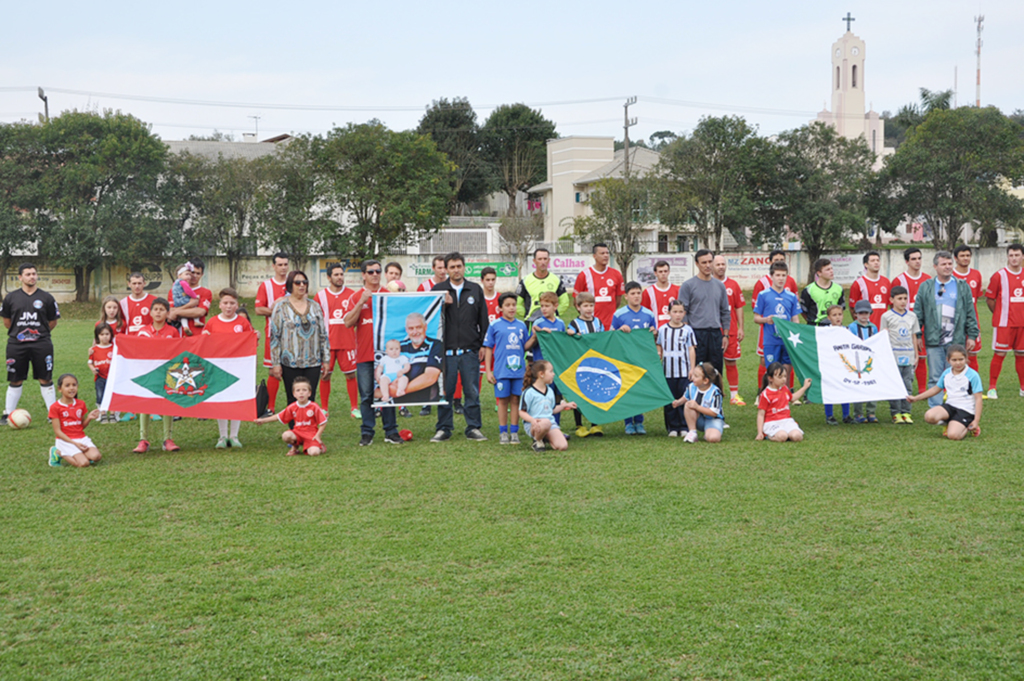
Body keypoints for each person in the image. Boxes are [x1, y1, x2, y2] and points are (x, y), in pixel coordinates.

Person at [431, 252, 490, 442]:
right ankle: (444, 428)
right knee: (445, 392)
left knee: (471, 391)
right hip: (445, 351)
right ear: (446, 269)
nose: (456, 270)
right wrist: (443, 305)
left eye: (459, 266)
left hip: (469, 351)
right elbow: (430, 319)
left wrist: (482, 344)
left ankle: (473, 427)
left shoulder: (475, 289)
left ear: (464, 267)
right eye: (452, 267)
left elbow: (483, 320)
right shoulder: (438, 289)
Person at [344, 260, 403, 447]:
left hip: (388, 356)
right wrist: (361, 302)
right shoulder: (356, 297)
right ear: (363, 275)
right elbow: (347, 322)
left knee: (389, 393)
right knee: (367, 395)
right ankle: (367, 432)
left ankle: (391, 431)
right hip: (365, 355)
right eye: (371, 271)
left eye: (378, 271)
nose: (375, 274)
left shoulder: (389, 294)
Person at [915, 251, 978, 408]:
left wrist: (972, 335)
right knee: (935, 376)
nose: (948, 267)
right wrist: (916, 334)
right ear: (935, 266)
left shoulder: (962, 286)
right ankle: (936, 410)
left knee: (956, 376)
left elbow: (970, 312)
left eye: (950, 263)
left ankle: (955, 407)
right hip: (933, 339)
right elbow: (918, 313)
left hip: (956, 340)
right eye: (943, 264)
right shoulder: (926, 287)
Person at [2, 263, 60, 427]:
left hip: (41, 344)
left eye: (34, 274)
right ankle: (8, 414)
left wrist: (40, 334)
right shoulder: (11, 298)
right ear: (20, 277)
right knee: (15, 379)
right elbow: (7, 322)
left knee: (45, 377)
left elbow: (52, 321)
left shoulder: (46, 298)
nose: (31, 277)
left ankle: (52, 414)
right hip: (16, 344)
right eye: (27, 274)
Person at [268, 270, 331, 406]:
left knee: (310, 398)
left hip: (313, 361)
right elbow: (274, 337)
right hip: (290, 361)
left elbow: (323, 334)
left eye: (305, 282)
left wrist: (326, 360)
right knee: (293, 399)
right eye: (298, 282)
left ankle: (309, 427)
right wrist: (276, 363)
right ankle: (295, 427)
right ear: (290, 285)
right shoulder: (281, 307)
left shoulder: (315, 306)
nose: (302, 285)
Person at [203, 288, 254, 449]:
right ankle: (223, 436)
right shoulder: (212, 322)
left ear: (237, 305)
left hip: (238, 367)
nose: (229, 306)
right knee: (222, 399)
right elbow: (204, 345)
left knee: (236, 397)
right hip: (218, 367)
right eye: (225, 303)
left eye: (232, 303)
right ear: (220, 305)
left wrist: (255, 337)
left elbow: (250, 343)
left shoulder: (242, 322)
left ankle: (234, 435)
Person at [134, 298, 180, 453]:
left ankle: (167, 439)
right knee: (144, 404)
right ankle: (143, 439)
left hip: (167, 374)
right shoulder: (143, 332)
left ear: (168, 313)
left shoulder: (173, 332)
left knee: (168, 403)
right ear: (151, 312)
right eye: (156, 309)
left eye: (162, 309)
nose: (158, 312)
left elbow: (179, 352)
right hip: (148, 374)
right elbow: (137, 352)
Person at [908, 344, 983, 440]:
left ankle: (969, 426)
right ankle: (951, 422)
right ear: (948, 360)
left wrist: (976, 420)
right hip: (950, 406)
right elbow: (936, 389)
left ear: (966, 359)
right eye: (954, 360)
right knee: (929, 416)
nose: (958, 363)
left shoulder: (973, 375)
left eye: (961, 359)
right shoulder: (947, 373)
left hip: (966, 410)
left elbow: (978, 399)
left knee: (953, 436)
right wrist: (916, 398)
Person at [612, 281, 657, 435]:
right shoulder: (619, 314)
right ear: (626, 297)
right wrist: (619, 330)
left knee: (639, 390)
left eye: (639, 293)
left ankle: (639, 422)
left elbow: (654, 333)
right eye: (633, 293)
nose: (636, 296)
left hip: (642, 358)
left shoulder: (649, 314)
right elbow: (611, 335)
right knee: (627, 390)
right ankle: (627, 423)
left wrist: (654, 331)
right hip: (625, 358)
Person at [315, 263, 360, 418]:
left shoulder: (352, 295)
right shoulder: (320, 296)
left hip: (347, 342)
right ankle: (324, 409)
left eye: (341, 274)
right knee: (325, 375)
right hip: (327, 343)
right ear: (329, 277)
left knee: (351, 375)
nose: (340, 277)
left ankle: (354, 408)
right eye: (336, 274)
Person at [677, 249, 731, 375]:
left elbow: (725, 312)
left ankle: (716, 394)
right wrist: (689, 337)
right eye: (704, 262)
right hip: (696, 333)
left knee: (715, 371)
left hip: (715, 334)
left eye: (710, 262)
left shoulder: (720, 286)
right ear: (697, 263)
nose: (707, 265)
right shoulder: (688, 286)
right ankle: (696, 394)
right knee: (697, 371)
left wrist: (725, 335)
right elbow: (682, 313)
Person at [751, 250, 799, 391]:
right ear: (771, 276)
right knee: (771, 370)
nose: (781, 278)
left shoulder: (791, 296)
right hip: (771, 340)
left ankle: (786, 395)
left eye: (783, 275)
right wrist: (766, 320)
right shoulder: (763, 295)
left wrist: (795, 332)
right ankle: (765, 394)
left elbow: (795, 319)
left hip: (787, 339)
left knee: (786, 369)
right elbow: (755, 318)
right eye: (777, 275)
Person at [484, 293, 528, 445]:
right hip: (501, 371)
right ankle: (503, 432)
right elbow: (488, 348)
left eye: (513, 305)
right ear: (500, 308)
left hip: (518, 371)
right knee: (502, 401)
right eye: (507, 305)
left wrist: (535, 337)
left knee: (516, 399)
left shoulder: (522, 326)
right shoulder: (494, 325)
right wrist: (489, 371)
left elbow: (526, 346)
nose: (511, 308)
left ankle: (514, 432)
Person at [984, 243, 1024, 399]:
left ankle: (1022, 387)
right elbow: (990, 299)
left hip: (1022, 324)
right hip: (1004, 323)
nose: (1014, 258)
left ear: (1022, 257)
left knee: (1021, 354)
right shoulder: (999, 275)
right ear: (1007, 257)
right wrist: (1000, 314)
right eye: (1011, 255)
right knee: (1000, 353)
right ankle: (992, 387)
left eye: (1017, 255)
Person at [524, 291, 568, 428]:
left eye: (547, 306)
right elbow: (529, 345)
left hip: (556, 367)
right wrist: (537, 335)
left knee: (556, 397)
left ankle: (556, 426)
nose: (543, 309)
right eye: (542, 306)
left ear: (555, 306)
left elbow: (562, 343)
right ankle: (541, 425)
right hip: (541, 367)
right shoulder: (538, 322)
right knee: (543, 398)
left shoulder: (560, 323)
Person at [255, 253, 290, 415]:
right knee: (273, 371)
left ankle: (296, 404)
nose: (283, 268)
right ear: (273, 266)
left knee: (293, 369)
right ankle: (271, 407)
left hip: (293, 335)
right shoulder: (266, 286)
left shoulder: (294, 283)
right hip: (273, 334)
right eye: (280, 264)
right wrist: (276, 309)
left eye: (285, 264)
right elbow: (258, 309)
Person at [879, 286, 921, 424]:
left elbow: (914, 335)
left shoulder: (912, 316)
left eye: (905, 299)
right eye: (899, 299)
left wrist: (916, 354)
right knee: (895, 385)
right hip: (893, 355)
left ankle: (906, 413)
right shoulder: (886, 316)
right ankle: (895, 413)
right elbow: (883, 337)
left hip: (908, 355)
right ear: (891, 300)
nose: (903, 302)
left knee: (908, 384)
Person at [255, 377, 327, 455]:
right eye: (298, 390)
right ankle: (295, 447)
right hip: (297, 433)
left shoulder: (314, 407)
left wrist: (318, 436)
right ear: (294, 394)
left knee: (314, 453)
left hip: (311, 435)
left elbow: (323, 423)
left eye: (304, 390)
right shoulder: (292, 407)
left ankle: (319, 447)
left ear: (309, 393)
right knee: (286, 436)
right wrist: (263, 420)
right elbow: (278, 416)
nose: (301, 393)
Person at [892, 247, 931, 393]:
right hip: (904, 327)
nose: (917, 261)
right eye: (913, 259)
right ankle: (900, 388)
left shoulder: (928, 279)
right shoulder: (899, 280)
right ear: (907, 261)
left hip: (925, 326)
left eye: (919, 258)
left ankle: (922, 390)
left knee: (922, 357)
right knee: (902, 358)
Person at [567, 292, 605, 438]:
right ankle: (579, 425)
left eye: (591, 305)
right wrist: (570, 334)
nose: (589, 309)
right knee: (579, 393)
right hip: (581, 365)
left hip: (596, 363)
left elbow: (602, 339)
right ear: (578, 307)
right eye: (585, 306)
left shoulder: (598, 322)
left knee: (595, 392)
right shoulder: (574, 324)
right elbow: (570, 342)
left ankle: (595, 423)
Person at [710, 255, 746, 405]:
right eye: (717, 264)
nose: (720, 267)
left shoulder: (733, 285)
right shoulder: (707, 284)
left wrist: (741, 328)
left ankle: (734, 396)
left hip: (730, 331)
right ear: (712, 266)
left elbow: (739, 307)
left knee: (731, 363)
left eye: (723, 264)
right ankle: (712, 394)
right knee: (711, 365)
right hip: (711, 330)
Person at [657, 300, 696, 437]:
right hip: (667, 372)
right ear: (668, 313)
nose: (677, 315)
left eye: (680, 312)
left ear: (684, 313)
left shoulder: (688, 330)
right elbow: (659, 346)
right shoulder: (662, 330)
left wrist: (692, 368)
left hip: (684, 371)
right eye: (674, 311)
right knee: (669, 400)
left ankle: (684, 426)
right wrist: (659, 353)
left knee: (683, 398)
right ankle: (672, 427)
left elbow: (691, 349)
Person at [520, 360, 577, 453]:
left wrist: (564, 406)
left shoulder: (550, 391)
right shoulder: (529, 392)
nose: (553, 374)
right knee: (546, 422)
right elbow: (522, 411)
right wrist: (532, 420)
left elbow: (552, 410)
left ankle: (545, 437)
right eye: (551, 371)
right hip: (534, 425)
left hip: (550, 424)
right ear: (541, 374)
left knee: (563, 446)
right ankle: (537, 440)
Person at [47, 374, 102, 468]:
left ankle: (79, 454)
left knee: (96, 457)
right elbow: (57, 431)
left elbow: (80, 426)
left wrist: (89, 418)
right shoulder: (55, 407)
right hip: (65, 440)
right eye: (67, 385)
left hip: (81, 438)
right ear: (60, 389)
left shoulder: (81, 404)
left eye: (74, 385)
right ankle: (58, 452)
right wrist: (75, 444)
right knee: (84, 464)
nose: (71, 388)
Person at [416, 257, 448, 416]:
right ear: (433, 268)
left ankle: (444, 396)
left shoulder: (450, 285)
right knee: (426, 364)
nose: (443, 271)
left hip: (446, 329)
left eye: (444, 268)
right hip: (428, 330)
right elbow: (418, 306)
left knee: (443, 366)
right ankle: (426, 402)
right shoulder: (424, 286)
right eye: (439, 268)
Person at [755, 363, 812, 442]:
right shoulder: (765, 394)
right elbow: (761, 414)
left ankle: (787, 433)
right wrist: (760, 432)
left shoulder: (784, 388)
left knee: (797, 437)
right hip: (772, 422)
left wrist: (805, 387)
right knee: (782, 436)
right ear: (770, 378)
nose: (783, 379)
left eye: (785, 376)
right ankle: (768, 435)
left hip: (786, 420)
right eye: (780, 377)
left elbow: (792, 398)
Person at [573, 242, 624, 330]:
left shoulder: (616, 274)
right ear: (594, 256)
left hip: (610, 324)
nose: (606, 256)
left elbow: (618, 300)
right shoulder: (584, 275)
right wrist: (586, 315)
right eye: (602, 253)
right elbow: (576, 301)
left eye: (607, 253)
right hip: (591, 324)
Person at [671, 362, 725, 444]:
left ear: (705, 381)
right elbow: (686, 397)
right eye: (693, 375)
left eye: (696, 376)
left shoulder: (715, 392)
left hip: (713, 419)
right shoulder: (691, 387)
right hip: (699, 419)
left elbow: (714, 413)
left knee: (713, 438)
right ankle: (692, 432)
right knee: (688, 404)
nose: (692, 378)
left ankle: (709, 431)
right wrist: (678, 402)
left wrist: (697, 407)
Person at [396, 313, 444, 404]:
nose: (415, 332)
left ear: (425, 327)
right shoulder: (398, 346)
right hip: (399, 399)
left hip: (427, 399)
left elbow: (430, 377)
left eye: (418, 327)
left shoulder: (436, 345)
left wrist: (399, 392)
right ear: (406, 330)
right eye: (411, 328)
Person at [952, 245, 984, 372]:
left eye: (968, 256)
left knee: (973, 354)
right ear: (956, 258)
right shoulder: (951, 275)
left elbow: (977, 299)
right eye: (962, 256)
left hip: (972, 322)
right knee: (953, 354)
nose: (965, 258)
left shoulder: (976, 274)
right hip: (954, 322)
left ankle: (972, 385)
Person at [516, 248, 571, 324]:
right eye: (540, 259)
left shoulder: (556, 280)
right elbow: (517, 303)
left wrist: (555, 313)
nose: (543, 262)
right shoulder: (526, 281)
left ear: (549, 260)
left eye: (545, 259)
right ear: (534, 261)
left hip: (551, 322)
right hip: (531, 322)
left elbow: (565, 302)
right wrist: (527, 314)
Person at [848, 300, 880, 424]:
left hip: (870, 361)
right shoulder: (852, 326)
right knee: (858, 386)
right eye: (861, 313)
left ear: (870, 313)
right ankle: (858, 413)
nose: (864, 316)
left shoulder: (873, 327)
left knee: (872, 385)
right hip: (857, 360)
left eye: (866, 313)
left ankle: (871, 411)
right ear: (856, 314)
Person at [823, 305, 852, 425]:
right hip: (830, 364)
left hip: (843, 364)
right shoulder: (825, 332)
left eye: (839, 314)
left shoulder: (847, 330)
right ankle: (829, 416)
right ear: (829, 317)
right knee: (829, 389)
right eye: (834, 315)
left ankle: (846, 415)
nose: (837, 317)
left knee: (845, 388)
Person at [849, 251, 891, 330]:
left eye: (878, 260)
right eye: (872, 261)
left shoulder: (886, 282)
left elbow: (891, 305)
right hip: (866, 328)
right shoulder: (858, 283)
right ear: (866, 265)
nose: (876, 263)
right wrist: (860, 324)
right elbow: (852, 308)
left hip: (883, 328)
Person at [801, 258, 845, 326]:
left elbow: (841, 308)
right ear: (819, 273)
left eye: (831, 268)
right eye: (828, 269)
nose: (831, 271)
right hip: (816, 327)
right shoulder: (809, 290)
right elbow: (804, 311)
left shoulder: (839, 288)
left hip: (834, 327)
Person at [87, 324, 115, 424]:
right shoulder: (94, 350)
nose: (104, 336)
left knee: (112, 395)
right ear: (97, 336)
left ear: (111, 335)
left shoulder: (114, 348)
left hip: (112, 377)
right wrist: (93, 369)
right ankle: (103, 414)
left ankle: (112, 415)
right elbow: (89, 362)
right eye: (102, 334)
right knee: (101, 395)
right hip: (100, 377)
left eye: (107, 334)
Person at [642, 259, 679, 329]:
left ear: (669, 272)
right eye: (660, 271)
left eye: (665, 271)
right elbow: (644, 312)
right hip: (656, 330)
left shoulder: (677, 290)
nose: (663, 274)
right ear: (655, 273)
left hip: (674, 330)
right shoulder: (648, 292)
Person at [168, 262, 200, 335]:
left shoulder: (174, 284)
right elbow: (188, 291)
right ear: (179, 275)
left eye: (189, 274)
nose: (190, 276)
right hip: (184, 300)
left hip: (177, 303)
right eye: (187, 274)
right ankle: (196, 321)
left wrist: (178, 310)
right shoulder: (183, 282)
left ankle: (185, 327)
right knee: (194, 306)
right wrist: (195, 297)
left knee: (183, 315)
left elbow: (201, 311)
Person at [121, 271, 156, 336]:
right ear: (129, 284)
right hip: (130, 340)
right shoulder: (123, 303)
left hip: (149, 339)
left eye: (139, 283)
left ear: (144, 283)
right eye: (134, 283)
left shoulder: (154, 300)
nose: (137, 286)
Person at [376, 339, 411, 404]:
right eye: (391, 349)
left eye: (397, 349)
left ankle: (400, 390)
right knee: (383, 381)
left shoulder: (402, 358)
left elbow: (407, 366)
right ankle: (385, 395)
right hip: (388, 375)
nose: (394, 351)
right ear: (386, 351)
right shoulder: (385, 358)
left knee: (405, 379)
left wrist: (403, 371)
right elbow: (380, 367)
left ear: (400, 350)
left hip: (399, 375)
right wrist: (378, 374)